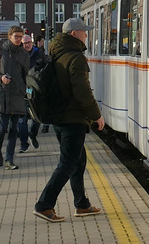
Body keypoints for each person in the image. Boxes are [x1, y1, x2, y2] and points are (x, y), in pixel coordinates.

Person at [32, 17, 105, 223]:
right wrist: (96, 115)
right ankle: (44, 205)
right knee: (67, 163)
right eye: (84, 31)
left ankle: (81, 204)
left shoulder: (56, 53)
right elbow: (82, 91)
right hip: (73, 118)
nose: (86, 34)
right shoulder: (76, 57)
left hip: (59, 117)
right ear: (74, 34)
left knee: (78, 161)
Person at [0, 26, 32, 169]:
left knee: (14, 129)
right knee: (2, 128)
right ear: (9, 36)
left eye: (20, 37)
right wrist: (0, 77)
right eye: (16, 36)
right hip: (2, 94)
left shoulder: (24, 55)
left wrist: (26, 92)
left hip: (17, 94)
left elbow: (25, 75)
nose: (19, 39)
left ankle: (9, 159)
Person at [22, 33, 45, 149]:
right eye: (25, 43)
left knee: (36, 115)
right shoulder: (19, 55)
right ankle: (23, 142)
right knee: (23, 118)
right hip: (21, 88)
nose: (27, 45)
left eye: (29, 42)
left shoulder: (39, 54)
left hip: (34, 89)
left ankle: (33, 134)